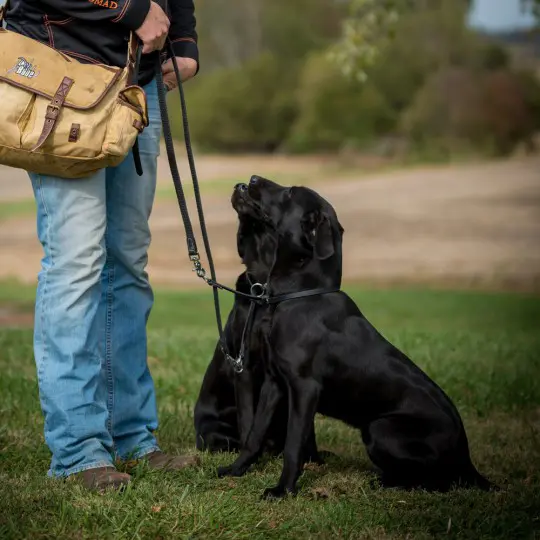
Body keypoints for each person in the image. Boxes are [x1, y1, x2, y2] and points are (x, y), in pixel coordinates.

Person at [5, 0, 200, 491]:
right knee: (76, 262)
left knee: (127, 262)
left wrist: (184, 40)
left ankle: (132, 436)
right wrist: (132, 10)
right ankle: (77, 451)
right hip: (61, 70)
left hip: (140, 78)